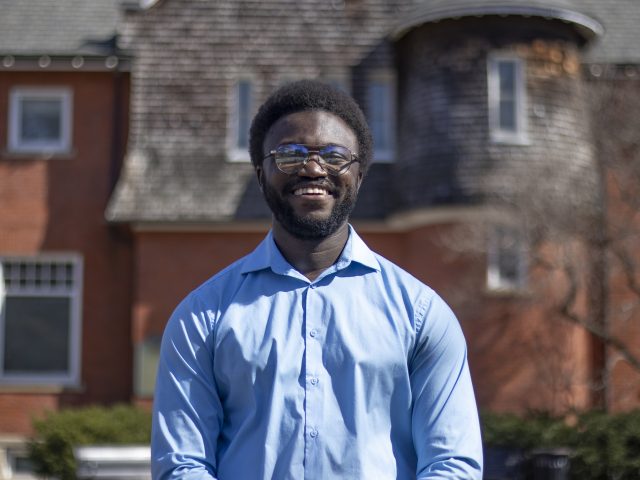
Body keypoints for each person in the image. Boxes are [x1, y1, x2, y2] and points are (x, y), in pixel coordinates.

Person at [151, 80, 483, 479]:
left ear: (359, 176)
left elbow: (452, 465)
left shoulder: (421, 314)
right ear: (261, 175)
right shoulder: (203, 317)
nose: (312, 168)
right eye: (289, 155)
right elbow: (182, 466)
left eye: (334, 155)